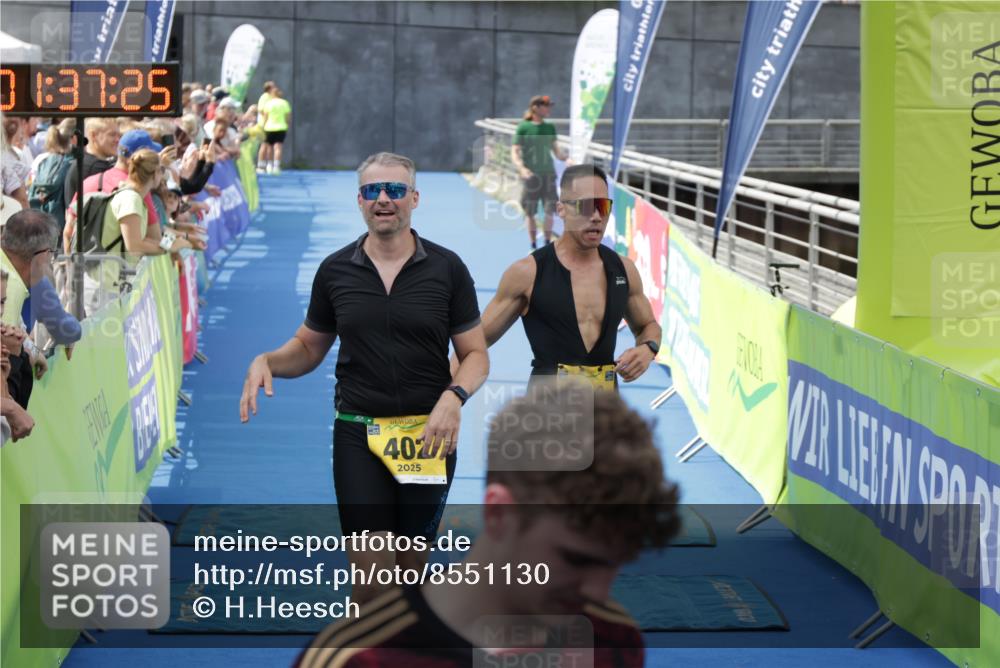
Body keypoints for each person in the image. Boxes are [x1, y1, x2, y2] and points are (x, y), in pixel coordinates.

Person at [240, 152, 489, 604]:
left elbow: (475, 355)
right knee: (372, 583)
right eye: (373, 190)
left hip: (428, 437)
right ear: (359, 200)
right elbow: (309, 347)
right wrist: (268, 360)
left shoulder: (448, 269)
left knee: (409, 578)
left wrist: (453, 398)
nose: (384, 199)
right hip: (358, 433)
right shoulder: (335, 270)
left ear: (414, 198)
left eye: (395, 190)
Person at [296, 383, 682, 668]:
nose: (598, 592)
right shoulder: (358, 658)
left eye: (615, 564)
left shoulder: (614, 642)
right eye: (575, 560)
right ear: (499, 514)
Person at [473, 164, 661, 391]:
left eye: (602, 206)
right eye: (585, 207)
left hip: (606, 409)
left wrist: (648, 348)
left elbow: (648, 325)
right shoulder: (527, 273)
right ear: (561, 209)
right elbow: (474, 344)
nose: (596, 216)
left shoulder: (624, 270)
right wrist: (451, 395)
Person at [78, 148, 194, 313]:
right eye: (162, 170)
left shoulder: (133, 197)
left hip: (112, 284)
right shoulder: (130, 199)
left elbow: (146, 238)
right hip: (104, 286)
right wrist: (170, 246)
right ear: (154, 174)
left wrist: (174, 242)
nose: (163, 176)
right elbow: (135, 245)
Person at [512, 95, 569, 249]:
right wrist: (522, 168)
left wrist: (567, 158)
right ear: (535, 107)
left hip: (549, 175)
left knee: (550, 211)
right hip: (531, 176)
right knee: (530, 212)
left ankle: (547, 244)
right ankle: (533, 245)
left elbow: (557, 151)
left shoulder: (549, 128)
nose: (549, 109)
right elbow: (515, 151)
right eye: (546, 105)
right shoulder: (523, 127)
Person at [63, 117, 120, 206]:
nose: (117, 140)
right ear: (93, 135)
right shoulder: (93, 168)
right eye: (112, 135)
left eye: (119, 135)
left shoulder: (82, 163)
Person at [261, 87, 291, 174]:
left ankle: (269, 165)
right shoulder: (285, 103)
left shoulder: (268, 103)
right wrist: (287, 125)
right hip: (281, 127)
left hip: (269, 127)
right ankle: (276, 166)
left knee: (269, 147)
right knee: (278, 147)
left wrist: (263, 126)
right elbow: (287, 117)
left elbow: (265, 117)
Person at [256, 81, 276, 173]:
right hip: (264, 124)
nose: (275, 88)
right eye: (273, 86)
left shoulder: (272, 97)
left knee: (269, 145)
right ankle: (261, 165)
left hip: (270, 125)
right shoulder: (264, 97)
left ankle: (268, 165)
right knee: (264, 144)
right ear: (269, 88)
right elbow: (261, 110)